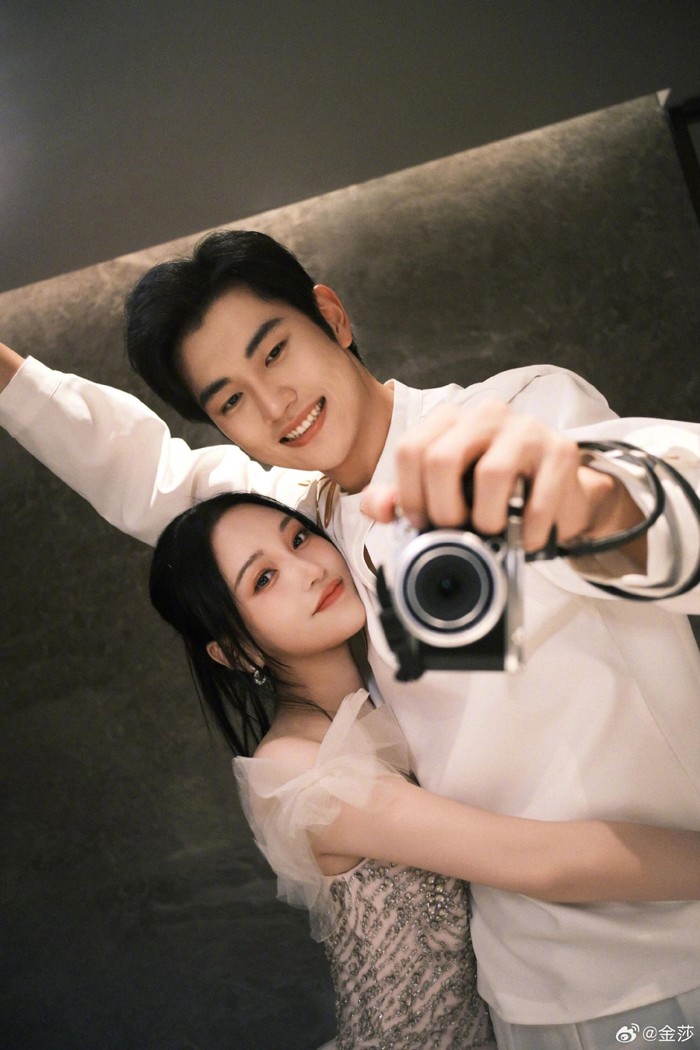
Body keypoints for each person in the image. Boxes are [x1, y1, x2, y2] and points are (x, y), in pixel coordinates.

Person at [1, 229, 699, 1045]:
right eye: (230, 401)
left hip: (669, 956)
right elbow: (145, 473)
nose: (274, 405)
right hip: (521, 991)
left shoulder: (518, 414)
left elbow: (662, 492)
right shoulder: (308, 521)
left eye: (275, 352)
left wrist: (591, 504)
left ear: (331, 316)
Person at [148, 489, 700, 1050]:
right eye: (264, 579)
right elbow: (537, 861)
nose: (308, 570)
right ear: (236, 652)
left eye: (299, 538)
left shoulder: (386, 701)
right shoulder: (298, 771)